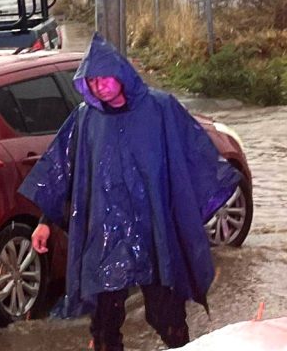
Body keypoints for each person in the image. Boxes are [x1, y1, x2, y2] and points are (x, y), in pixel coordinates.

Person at [18, 33, 241, 351]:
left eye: (103, 79)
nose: (98, 87)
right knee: (105, 322)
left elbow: (192, 155)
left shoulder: (160, 109)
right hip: (106, 235)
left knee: (167, 315)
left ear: (121, 72)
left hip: (153, 231)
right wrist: (45, 222)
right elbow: (66, 172)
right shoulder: (86, 119)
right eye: (91, 82)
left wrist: (201, 202)